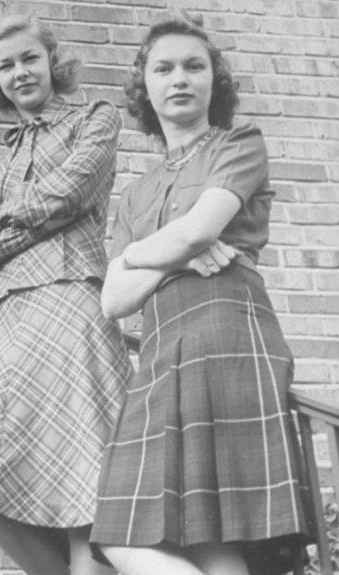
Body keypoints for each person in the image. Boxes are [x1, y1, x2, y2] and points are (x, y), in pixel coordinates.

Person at [91, 12, 308, 575]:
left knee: (214, 533)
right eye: (164, 68)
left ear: (216, 79)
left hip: (226, 330)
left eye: (194, 65)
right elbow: (113, 301)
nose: (179, 78)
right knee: (125, 536)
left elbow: (198, 230)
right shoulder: (136, 193)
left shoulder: (238, 144)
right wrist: (175, 255)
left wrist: (146, 254)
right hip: (161, 350)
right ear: (146, 86)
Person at [0, 15, 132, 575]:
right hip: (5, 317)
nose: (20, 73)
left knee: (82, 469)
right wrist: (26, 219)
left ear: (52, 61)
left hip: (69, 297)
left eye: (29, 58)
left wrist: (3, 223)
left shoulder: (93, 118)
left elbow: (74, 191)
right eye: (5, 66)